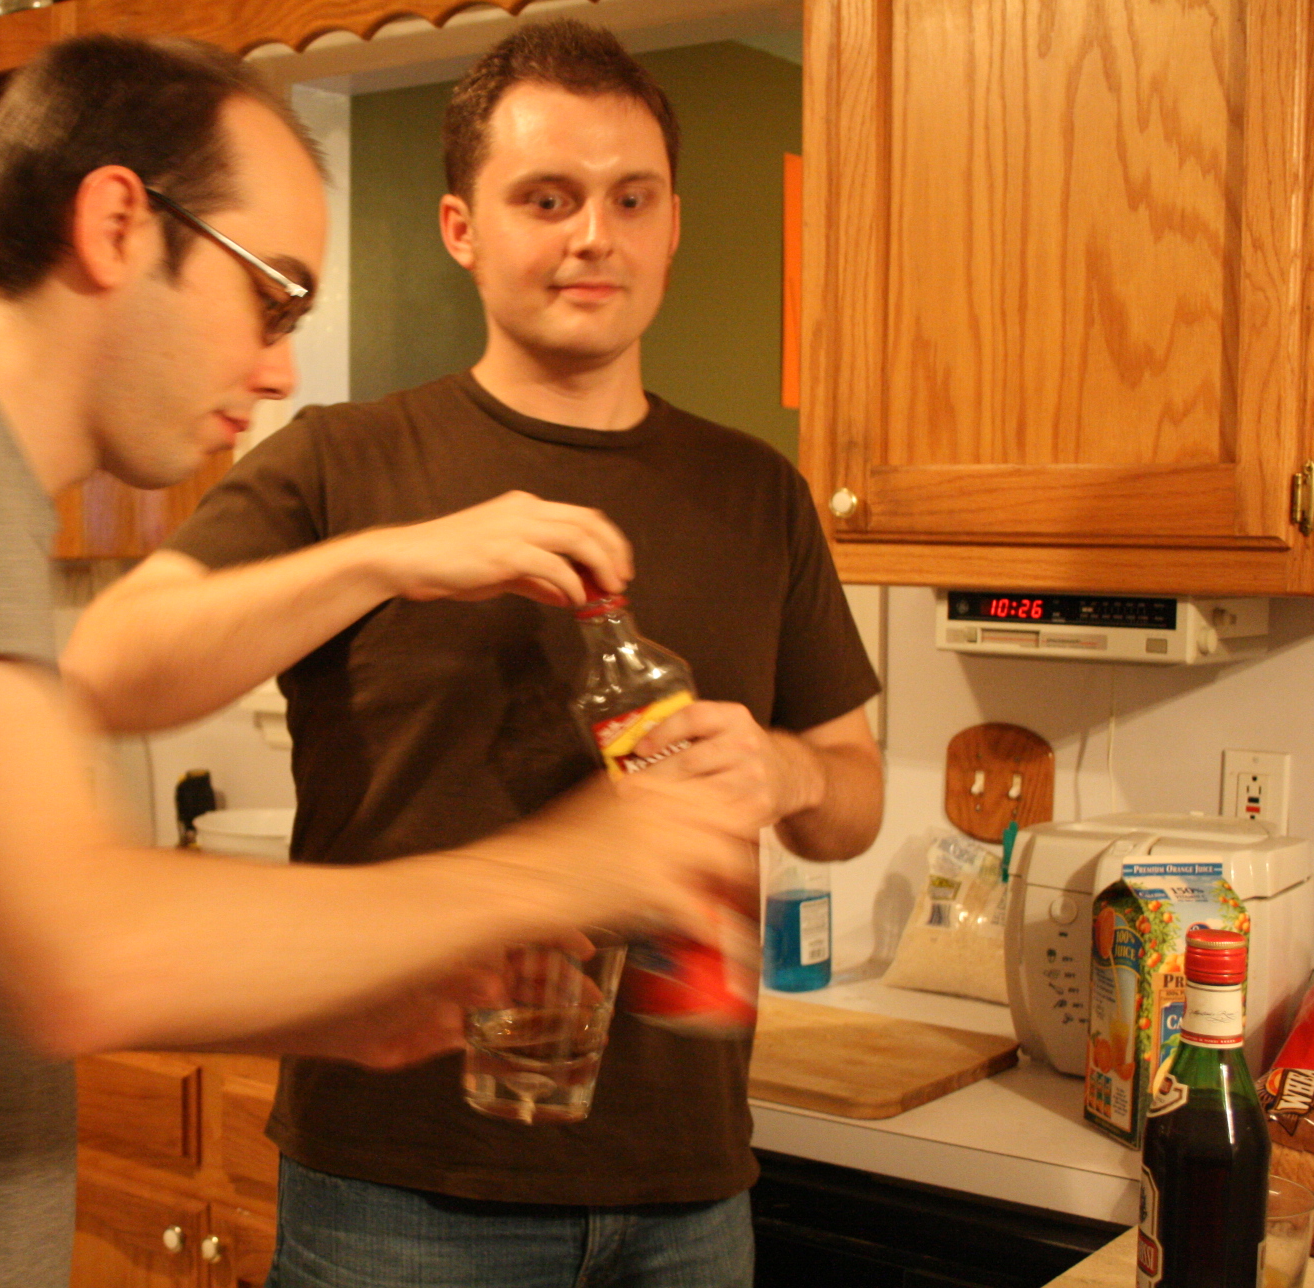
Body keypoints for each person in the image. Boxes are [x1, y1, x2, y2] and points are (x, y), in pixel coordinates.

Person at [0, 34, 759, 1288]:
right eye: (273, 294)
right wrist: (568, 865)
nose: (284, 363)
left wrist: (339, 997)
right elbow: (77, 952)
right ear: (120, 223)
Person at [63, 19, 886, 1287]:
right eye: (544, 198)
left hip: (689, 1193)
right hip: (396, 1192)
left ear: (672, 224)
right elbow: (112, 666)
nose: (591, 236)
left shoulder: (759, 492)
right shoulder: (343, 461)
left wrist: (784, 772)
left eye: (630, 198)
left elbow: (850, 795)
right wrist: (389, 557)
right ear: (462, 228)